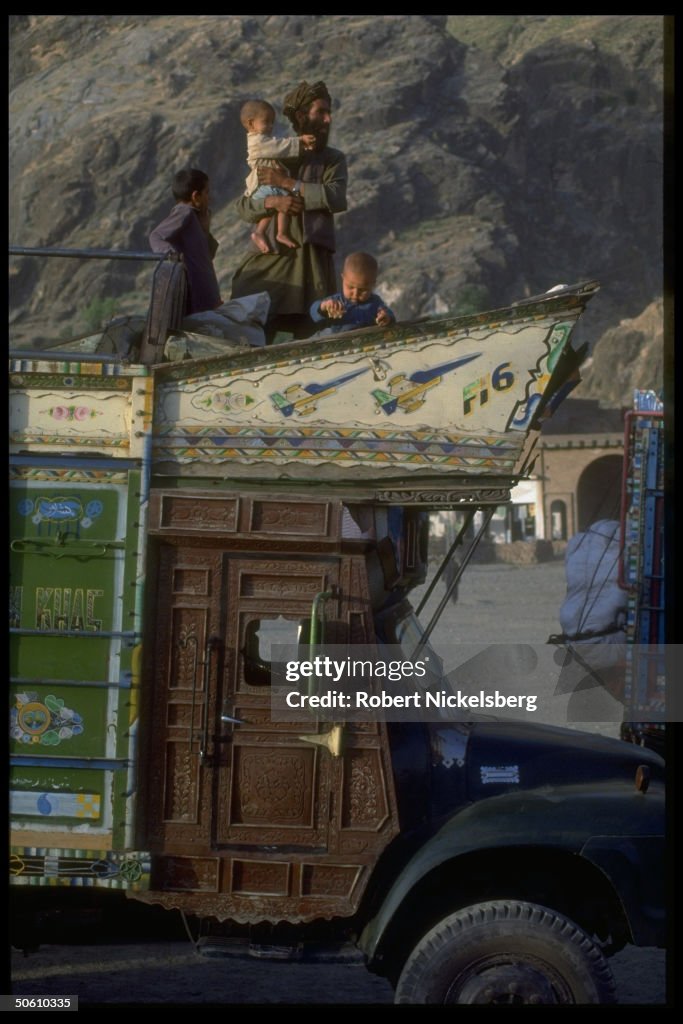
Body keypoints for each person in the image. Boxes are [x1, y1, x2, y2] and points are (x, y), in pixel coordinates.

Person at [231, 80, 348, 345]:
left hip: (311, 263)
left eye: (329, 113)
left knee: (313, 339)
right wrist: (273, 203)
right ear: (301, 116)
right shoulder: (273, 152)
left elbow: (336, 197)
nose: (328, 119)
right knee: (252, 337)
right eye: (321, 112)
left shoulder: (333, 159)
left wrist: (288, 185)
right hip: (273, 259)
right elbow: (245, 207)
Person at [240, 98, 316, 254]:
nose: (270, 126)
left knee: (280, 204)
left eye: (272, 122)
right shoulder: (258, 142)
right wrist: (300, 141)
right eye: (266, 122)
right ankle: (272, 233)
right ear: (251, 124)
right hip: (264, 184)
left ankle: (275, 233)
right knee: (279, 201)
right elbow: (278, 146)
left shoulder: (261, 140)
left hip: (269, 185)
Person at [149, 167, 222, 315]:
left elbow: (205, 257)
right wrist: (176, 259)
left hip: (206, 299)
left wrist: (205, 230)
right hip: (196, 299)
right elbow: (156, 236)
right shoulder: (185, 212)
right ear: (196, 196)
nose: (210, 198)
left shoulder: (195, 218)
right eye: (207, 192)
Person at [309, 251, 395, 336]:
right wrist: (323, 307)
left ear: (373, 284)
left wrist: (385, 318)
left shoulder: (375, 303)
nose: (355, 293)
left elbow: (389, 315)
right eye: (350, 287)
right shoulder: (335, 302)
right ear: (343, 278)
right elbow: (314, 312)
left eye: (362, 290)